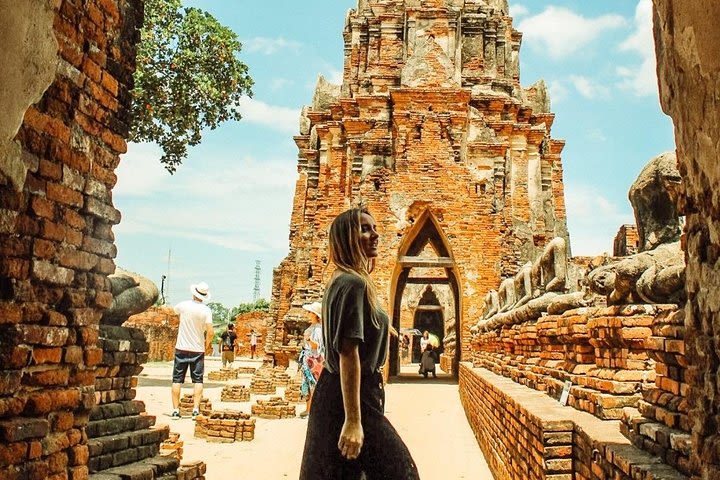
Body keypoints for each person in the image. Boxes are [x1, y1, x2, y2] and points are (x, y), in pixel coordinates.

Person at [299, 208, 419, 479]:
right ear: (346, 238)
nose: (375, 234)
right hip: (351, 396)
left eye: (374, 227)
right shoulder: (353, 283)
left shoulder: (345, 280)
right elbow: (347, 353)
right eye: (364, 229)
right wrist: (353, 420)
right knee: (401, 472)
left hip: (343, 393)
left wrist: (380, 325)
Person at [171, 282, 214, 420]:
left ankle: (176, 411)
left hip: (181, 347)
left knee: (177, 380)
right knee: (198, 380)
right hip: (197, 349)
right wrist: (207, 346)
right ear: (204, 296)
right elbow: (211, 332)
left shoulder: (183, 305)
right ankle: (195, 409)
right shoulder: (206, 310)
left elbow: (173, 313)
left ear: (193, 293)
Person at [299, 301, 324, 419]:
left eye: (310, 312)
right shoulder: (313, 327)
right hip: (308, 358)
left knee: (313, 384)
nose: (308, 314)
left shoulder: (318, 329)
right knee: (308, 384)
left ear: (315, 315)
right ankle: (308, 409)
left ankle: (313, 410)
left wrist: (308, 340)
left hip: (315, 360)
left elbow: (317, 346)